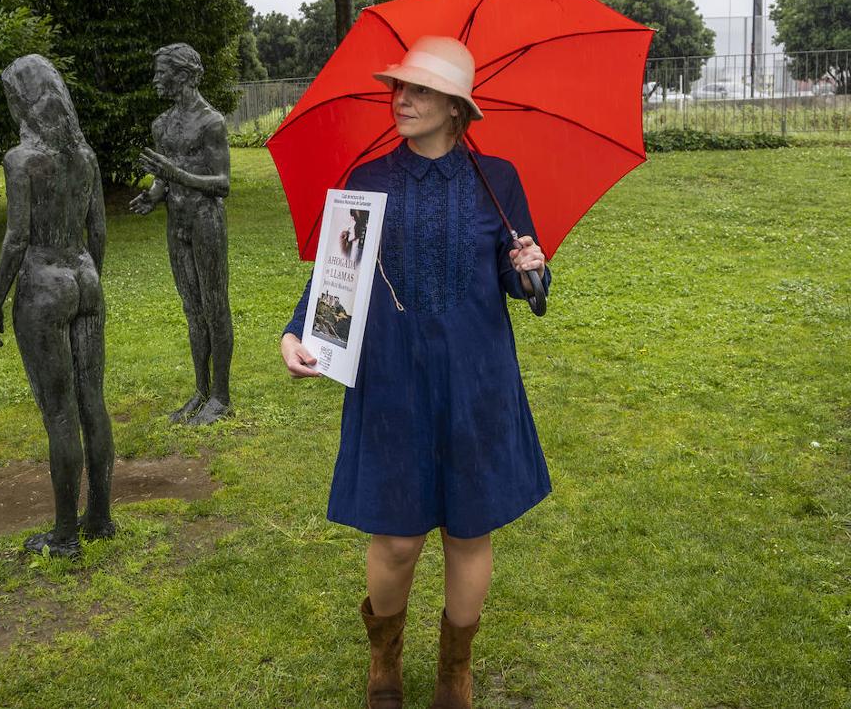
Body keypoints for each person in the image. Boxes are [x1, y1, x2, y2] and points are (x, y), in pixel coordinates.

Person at [279, 37, 551, 709]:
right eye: (398, 88)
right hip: (393, 376)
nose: (402, 99)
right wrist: (298, 332)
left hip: (477, 379)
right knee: (396, 538)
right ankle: (384, 661)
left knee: (469, 530)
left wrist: (532, 270)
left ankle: (455, 673)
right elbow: (334, 278)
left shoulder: (500, 179)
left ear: (456, 107)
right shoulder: (368, 181)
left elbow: (527, 291)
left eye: (419, 90)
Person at [0, 54, 116, 559]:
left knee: (59, 413)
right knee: (92, 402)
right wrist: (92, 282)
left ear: (22, 100)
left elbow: (16, 239)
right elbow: (98, 231)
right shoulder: (84, 156)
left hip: (43, 281)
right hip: (84, 276)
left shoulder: (22, 160)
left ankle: (64, 536)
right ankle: (99, 517)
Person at [129, 43, 234, 426]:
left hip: (207, 220)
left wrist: (174, 176)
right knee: (192, 311)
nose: (156, 79)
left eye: (162, 72)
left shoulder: (211, 123)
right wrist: (154, 195)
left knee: (214, 307)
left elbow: (221, 184)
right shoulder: (162, 125)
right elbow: (164, 177)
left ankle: (221, 397)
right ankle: (201, 391)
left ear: (184, 75)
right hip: (177, 223)